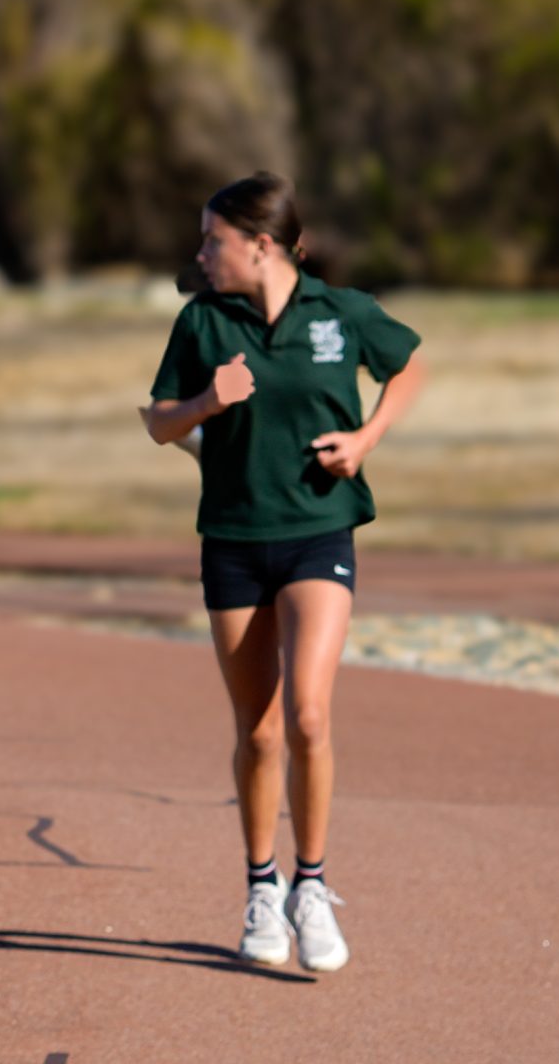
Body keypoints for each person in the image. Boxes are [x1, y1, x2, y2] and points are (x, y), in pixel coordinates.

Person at [140, 172, 426, 973]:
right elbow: (159, 421)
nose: (199, 254)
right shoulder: (202, 319)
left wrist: (366, 440)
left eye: (212, 240)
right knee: (259, 731)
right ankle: (260, 888)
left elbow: (409, 366)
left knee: (307, 715)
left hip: (317, 532)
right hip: (233, 539)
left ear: (259, 245)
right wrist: (206, 402)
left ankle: (311, 884)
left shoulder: (341, 313)